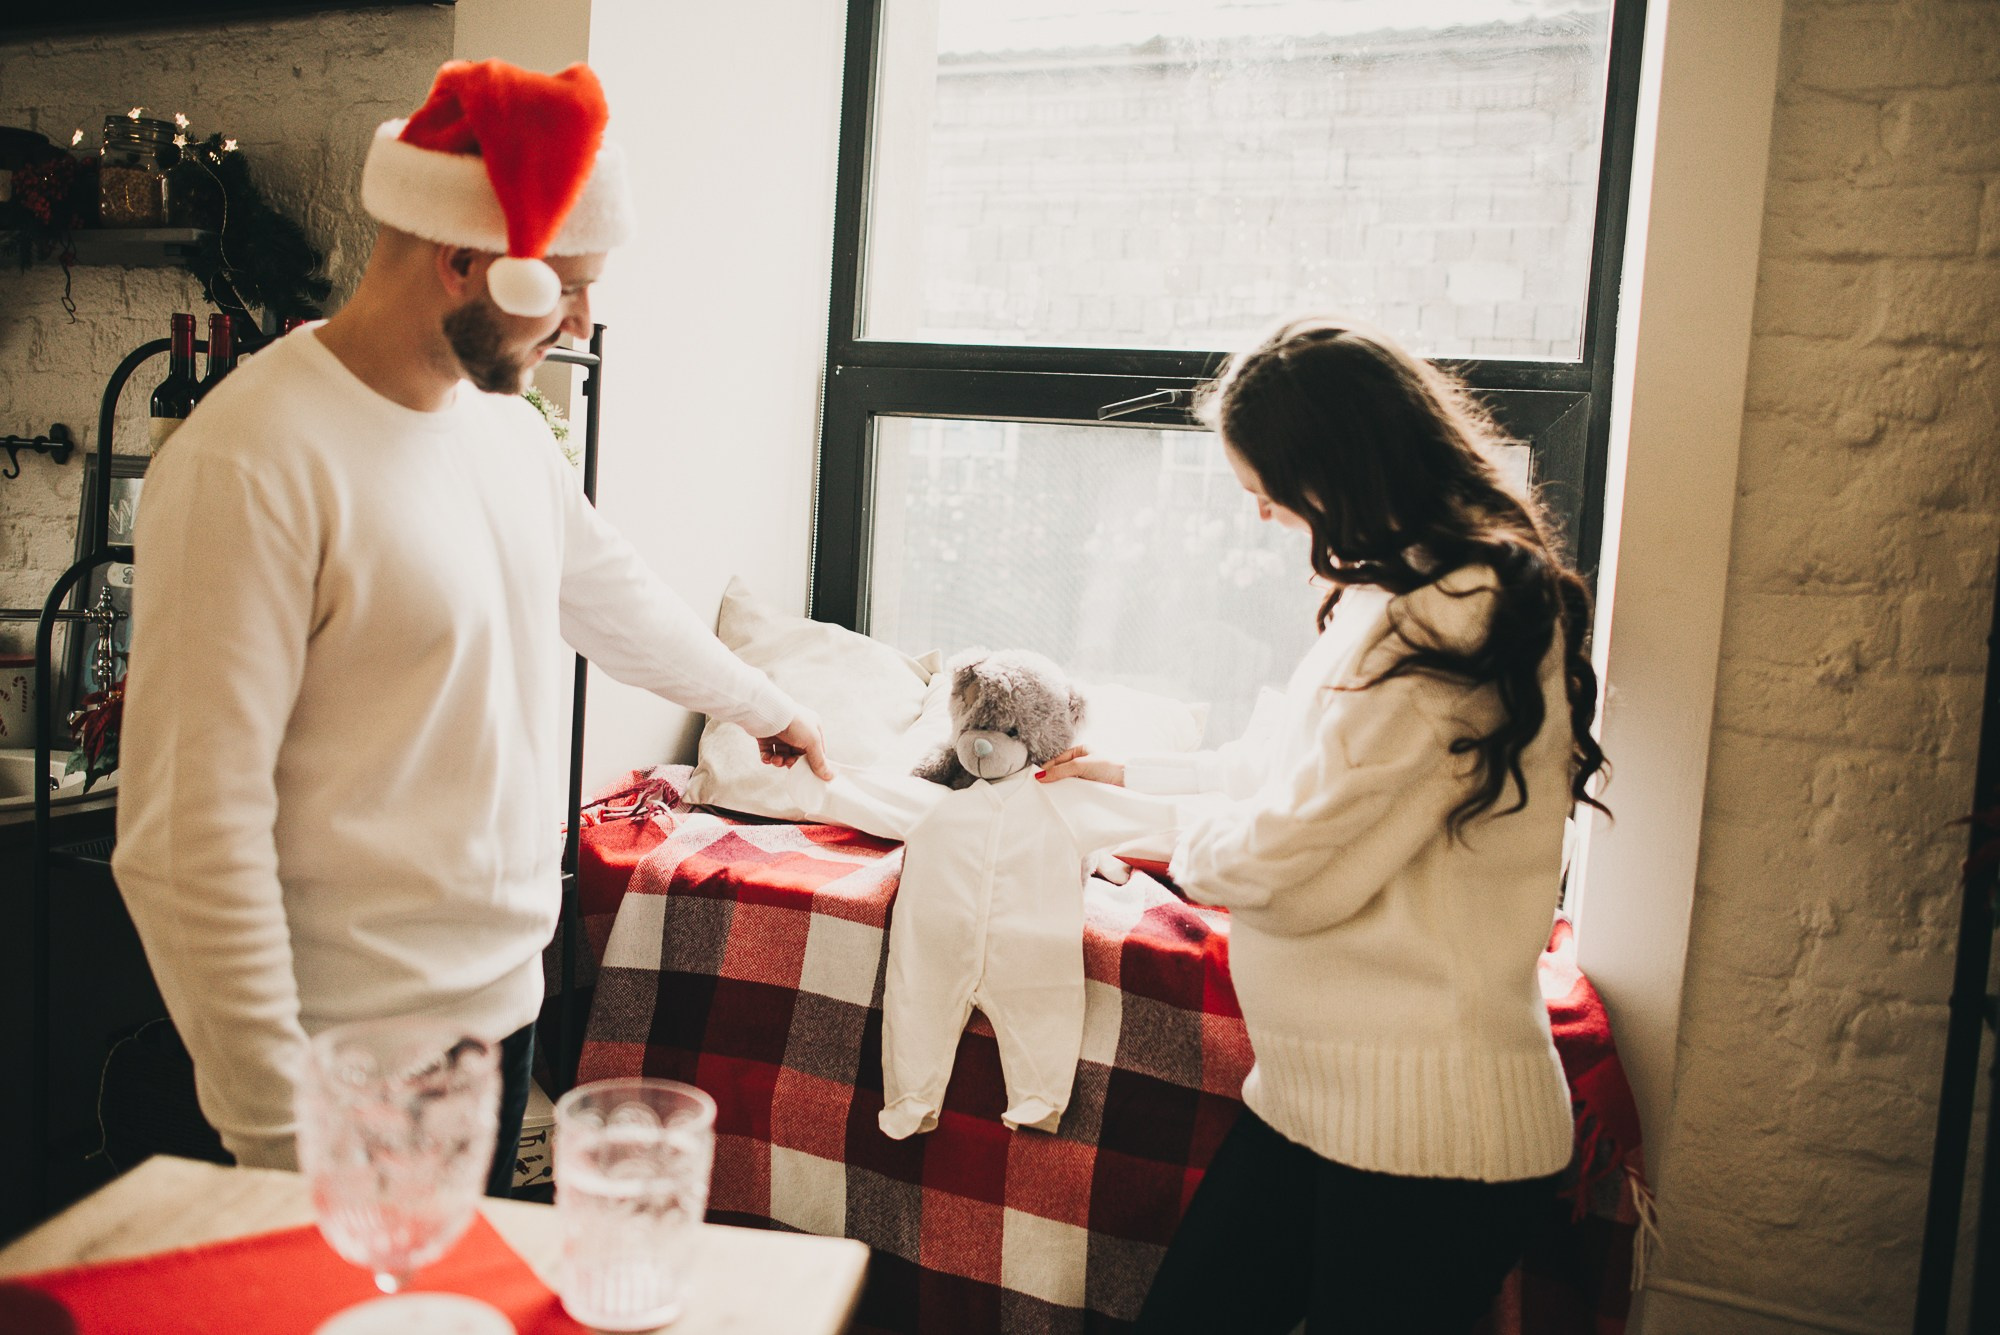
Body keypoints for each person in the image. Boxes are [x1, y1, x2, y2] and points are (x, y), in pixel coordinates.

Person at [112, 60, 829, 1196]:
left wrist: (771, 706)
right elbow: (185, 837)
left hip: (498, 1016)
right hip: (343, 1059)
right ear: (463, 258)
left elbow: (609, 593)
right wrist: (275, 1136)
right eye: (568, 284)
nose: (586, 318)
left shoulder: (502, 435)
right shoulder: (250, 460)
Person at [1037, 318, 1610, 1333]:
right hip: (1316, 1099)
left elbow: (1295, 865)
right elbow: (1290, 769)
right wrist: (1128, 777)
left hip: (1425, 1138)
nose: (1259, 516)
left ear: (1335, 467)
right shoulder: (1394, 595)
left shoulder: (1451, 617)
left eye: (1265, 490)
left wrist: (1146, 832)